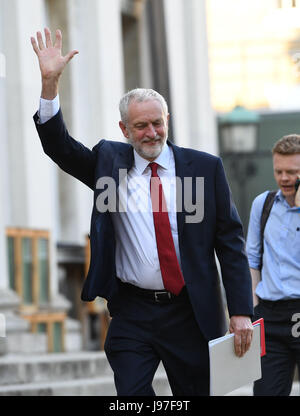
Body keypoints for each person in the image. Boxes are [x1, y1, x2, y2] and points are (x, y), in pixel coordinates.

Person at [31, 28, 253, 396]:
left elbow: (230, 243)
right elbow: (60, 148)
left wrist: (241, 310)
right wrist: (49, 85)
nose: (152, 133)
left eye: (157, 123)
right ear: (125, 129)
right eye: (141, 126)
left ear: (167, 121)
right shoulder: (108, 164)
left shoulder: (204, 168)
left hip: (191, 311)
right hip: (133, 310)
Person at [247, 134, 300, 396]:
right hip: (270, 316)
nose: (284, 178)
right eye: (279, 171)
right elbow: (252, 259)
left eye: (292, 172)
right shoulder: (263, 204)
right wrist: (255, 308)